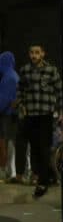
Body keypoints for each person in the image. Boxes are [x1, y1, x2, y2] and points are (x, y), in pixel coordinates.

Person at [16, 44, 62, 198]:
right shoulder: (25, 70)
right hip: (31, 115)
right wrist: (21, 104)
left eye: (37, 52)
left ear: (43, 53)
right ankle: (45, 176)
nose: (34, 55)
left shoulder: (51, 70)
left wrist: (61, 110)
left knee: (44, 147)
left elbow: (59, 90)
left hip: (46, 115)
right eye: (31, 53)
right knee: (35, 147)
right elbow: (20, 89)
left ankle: (43, 181)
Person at [0, 50, 17, 181]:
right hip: (13, 115)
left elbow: (4, 99)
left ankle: (11, 172)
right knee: (11, 142)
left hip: (10, 116)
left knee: (10, 142)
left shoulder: (8, 77)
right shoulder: (13, 75)